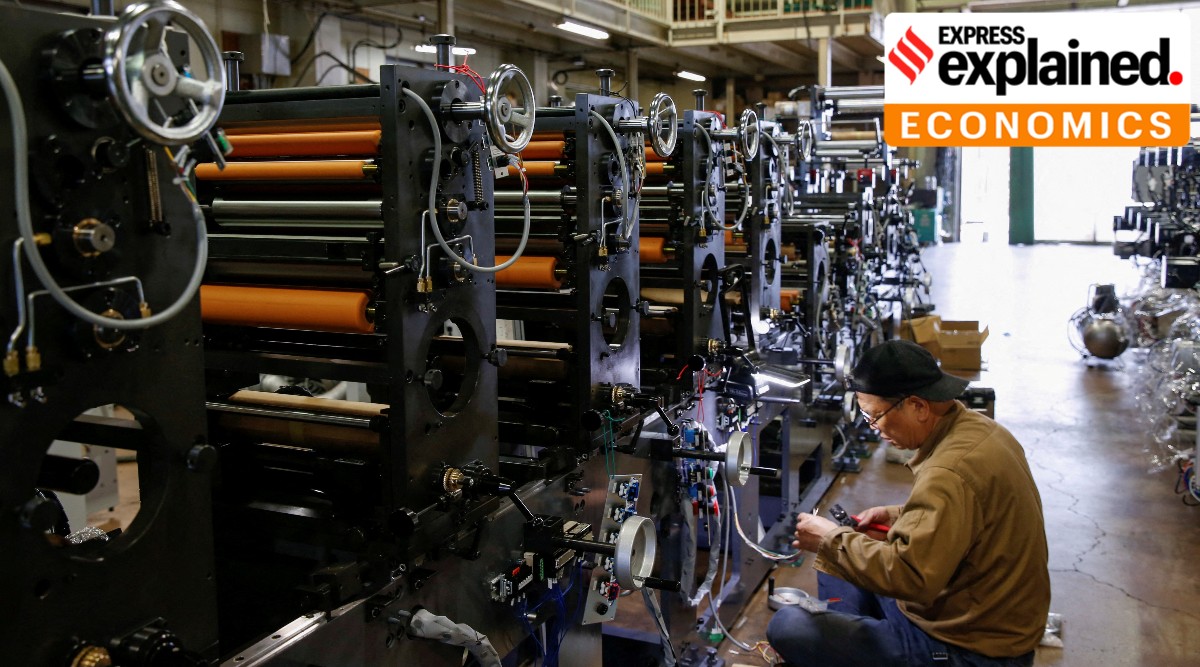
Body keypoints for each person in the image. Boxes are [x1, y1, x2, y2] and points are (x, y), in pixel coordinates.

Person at [767, 340, 1049, 667]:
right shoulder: (982, 431)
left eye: (877, 416)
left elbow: (912, 579)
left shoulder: (948, 472)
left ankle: (852, 644)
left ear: (917, 406)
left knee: (789, 625)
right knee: (839, 558)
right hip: (967, 614)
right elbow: (972, 516)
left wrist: (829, 540)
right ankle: (852, 642)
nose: (875, 429)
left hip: (969, 649)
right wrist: (895, 515)